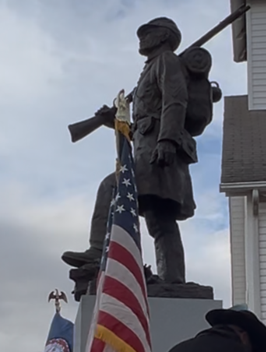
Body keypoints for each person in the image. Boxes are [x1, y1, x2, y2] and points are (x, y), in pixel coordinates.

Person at [61, 17, 200, 285]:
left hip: (159, 151)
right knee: (160, 220)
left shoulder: (167, 61)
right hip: (149, 148)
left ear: (163, 37)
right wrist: (111, 122)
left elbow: (175, 101)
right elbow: (143, 125)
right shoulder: (151, 68)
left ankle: (97, 249)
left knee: (112, 187)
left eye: (148, 33)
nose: (142, 38)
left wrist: (167, 141)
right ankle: (173, 280)